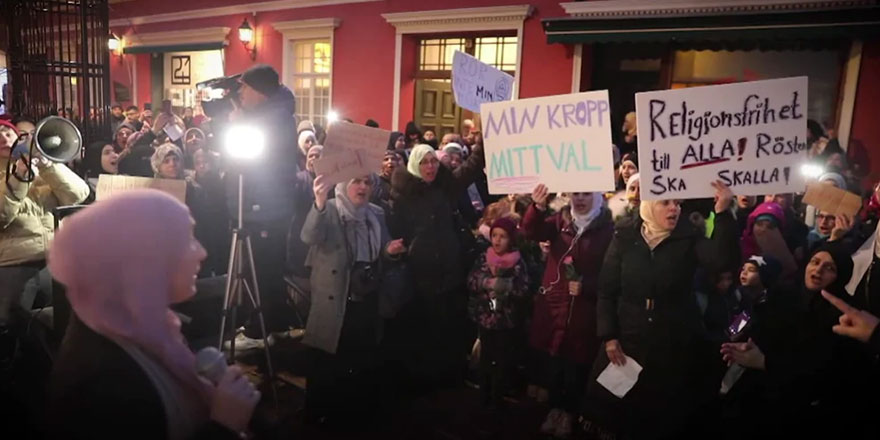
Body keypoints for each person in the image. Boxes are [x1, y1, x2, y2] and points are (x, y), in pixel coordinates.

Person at [47, 190, 260, 439]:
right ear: (141, 262)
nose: (201, 252)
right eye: (187, 240)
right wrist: (223, 427)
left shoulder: (142, 329)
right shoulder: (109, 382)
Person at [589, 181, 737, 439]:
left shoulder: (689, 238)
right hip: (629, 337)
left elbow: (722, 261)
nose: (674, 209)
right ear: (648, 206)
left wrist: (723, 213)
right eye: (665, 203)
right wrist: (609, 336)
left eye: (678, 203)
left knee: (662, 413)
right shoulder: (625, 237)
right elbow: (607, 291)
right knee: (623, 410)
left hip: (673, 340)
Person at [721, 244, 878, 438]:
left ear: (842, 276)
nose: (818, 270)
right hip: (755, 398)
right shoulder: (782, 295)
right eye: (815, 262)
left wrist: (765, 362)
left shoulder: (843, 317)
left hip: (798, 412)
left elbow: (821, 370)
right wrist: (740, 345)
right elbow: (751, 324)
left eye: (829, 268)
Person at [300, 174, 404, 426]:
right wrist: (319, 202)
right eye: (356, 181)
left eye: (368, 183)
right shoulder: (331, 209)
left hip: (366, 295)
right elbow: (309, 236)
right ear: (344, 185)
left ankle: (356, 413)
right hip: (335, 296)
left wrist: (389, 252)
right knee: (329, 357)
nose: (362, 187)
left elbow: (382, 249)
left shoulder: (376, 213)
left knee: (361, 355)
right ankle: (325, 416)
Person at [390, 142, 486, 390]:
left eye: (433, 161)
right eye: (424, 162)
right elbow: (395, 229)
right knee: (426, 326)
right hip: (421, 271)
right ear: (414, 165)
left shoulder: (446, 187)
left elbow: (472, 167)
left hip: (450, 268)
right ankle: (426, 379)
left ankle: (448, 376)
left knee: (449, 324)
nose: (430, 167)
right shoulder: (403, 194)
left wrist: (487, 137)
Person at [523, 185, 613, 439]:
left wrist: (588, 286)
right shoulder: (559, 221)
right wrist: (537, 207)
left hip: (585, 310)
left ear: (596, 196)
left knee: (577, 366)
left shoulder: (608, 230)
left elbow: (612, 273)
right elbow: (530, 231)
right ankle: (554, 408)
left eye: (586, 193)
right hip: (556, 305)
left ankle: (570, 412)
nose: (580, 199)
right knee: (555, 363)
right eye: (576, 193)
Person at [226, 64, 301, 342]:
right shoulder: (267, 116)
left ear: (260, 90)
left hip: (263, 210)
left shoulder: (274, 120)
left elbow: (254, 161)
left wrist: (239, 124)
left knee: (262, 271)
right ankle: (267, 324)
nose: (240, 92)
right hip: (257, 207)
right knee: (261, 269)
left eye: (245, 86)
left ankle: (261, 328)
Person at [0, 118, 89, 329]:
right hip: (13, 266)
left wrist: (50, 166)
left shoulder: (45, 172)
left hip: (54, 261)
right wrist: (19, 177)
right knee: (14, 334)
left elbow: (78, 195)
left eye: (8, 132)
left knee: (59, 327)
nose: (3, 137)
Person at [467, 217, 530, 408]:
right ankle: (483, 394)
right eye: (494, 235)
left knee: (502, 360)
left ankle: (497, 396)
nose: (497, 240)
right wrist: (487, 282)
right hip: (485, 319)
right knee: (486, 357)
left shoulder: (518, 262)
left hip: (506, 321)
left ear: (510, 239)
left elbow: (524, 289)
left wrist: (507, 286)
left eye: (502, 236)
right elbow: (471, 280)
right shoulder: (483, 258)